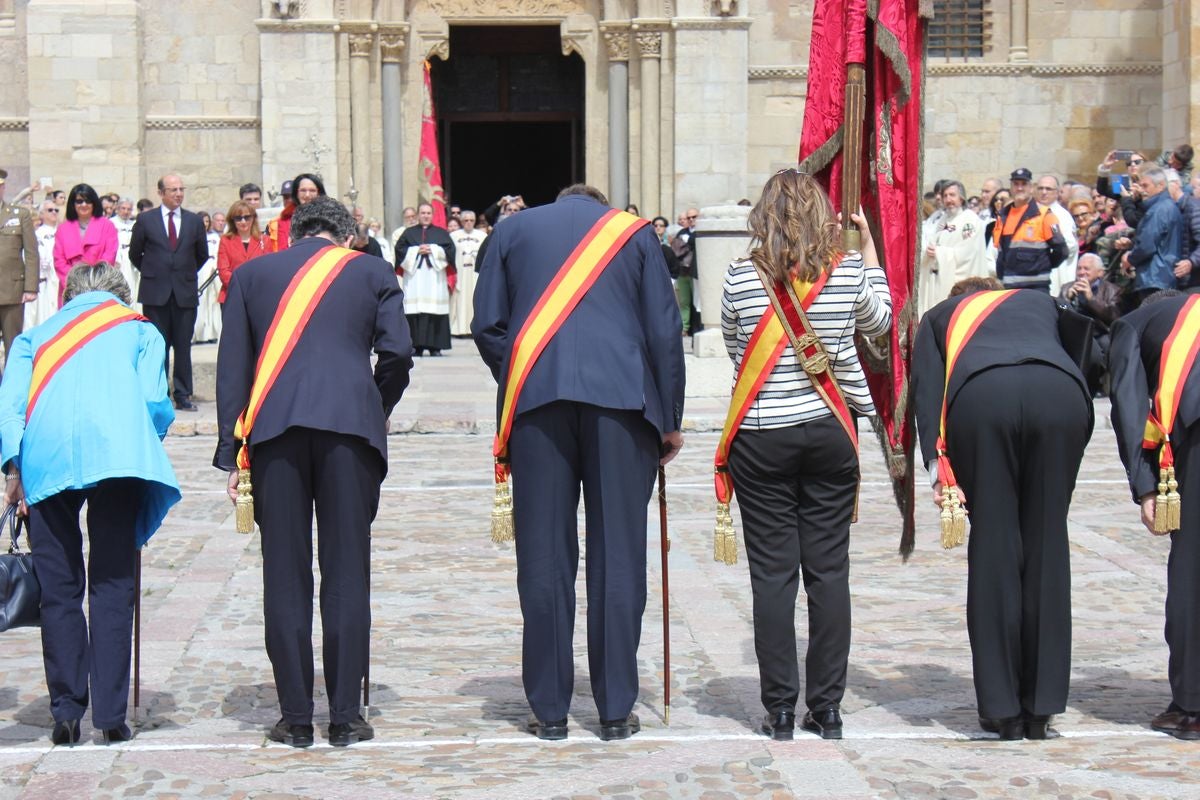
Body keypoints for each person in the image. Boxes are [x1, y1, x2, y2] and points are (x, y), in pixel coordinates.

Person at [472, 183, 685, 742]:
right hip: (622, 403)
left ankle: (549, 710)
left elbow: (488, 325)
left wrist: (521, 373)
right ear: (600, 203)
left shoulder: (511, 231)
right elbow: (664, 330)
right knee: (619, 554)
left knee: (544, 555)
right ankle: (614, 709)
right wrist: (669, 417)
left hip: (538, 403)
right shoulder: (634, 233)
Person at [214, 196, 413, 748]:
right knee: (347, 569)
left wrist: (232, 453)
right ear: (347, 237)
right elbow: (398, 354)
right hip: (348, 430)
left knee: (285, 572)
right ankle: (345, 715)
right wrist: (374, 404)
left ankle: (296, 716)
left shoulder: (252, 275)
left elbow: (233, 368)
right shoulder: (370, 270)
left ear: (293, 233)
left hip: (273, 432)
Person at [718, 171, 891, 742]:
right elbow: (881, 323)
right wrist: (869, 255)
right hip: (828, 428)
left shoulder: (741, 276)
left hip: (763, 433)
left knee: (772, 576)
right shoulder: (846, 271)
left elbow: (738, 351)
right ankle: (828, 706)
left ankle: (780, 709)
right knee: (828, 572)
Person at [0, 262, 180, 745]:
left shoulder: (34, 338)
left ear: (69, 296)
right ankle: (112, 715)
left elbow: (9, 410)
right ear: (121, 294)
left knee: (58, 588)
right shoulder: (140, 331)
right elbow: (154, 403)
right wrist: (146, 444)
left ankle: (65, 712)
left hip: (46, 458)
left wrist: (14, 471)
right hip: (117, 456)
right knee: (112, 582)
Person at [912, 281, 1093, 740]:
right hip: (1059, 392)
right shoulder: (1041, 301)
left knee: (994, 547)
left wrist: (938, 469)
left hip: (982, 397)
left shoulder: (940, 316)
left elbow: (926, 390)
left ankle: (1002, 709)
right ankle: (1042, 706)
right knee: (1048, 543)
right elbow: (1082, 342)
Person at [1108, 291, 1200, 740]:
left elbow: (1129, 404)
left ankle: (1193, 704)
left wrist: (1146, 485)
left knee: (1193, 570)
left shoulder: (1135, 324)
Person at [128, 173, 210, 411]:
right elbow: (135, 253)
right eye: (173, 190)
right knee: (157, 346)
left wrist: (183, 273)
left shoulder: (193, 221)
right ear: (161, 193)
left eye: (181, 189)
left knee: (183, 346)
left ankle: (183, 394)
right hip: (156, 293)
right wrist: (155, 272)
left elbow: (202, 255)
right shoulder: (146, 220)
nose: (178, 194)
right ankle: (159, 393)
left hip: (184, 292)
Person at [916, 180, 988, 316]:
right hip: (937, 279)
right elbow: (933, 241)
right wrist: (929, 251)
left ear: (961, 198)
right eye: (945, 196)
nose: (948, 200)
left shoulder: (970, 220)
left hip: (958, 284)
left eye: (952, 195)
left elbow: (969, 254)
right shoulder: (943, 220)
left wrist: (939, 253)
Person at [992, 167, 1068, 294]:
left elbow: (1062, 251)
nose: (1019, 188)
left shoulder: (1044, 215)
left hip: (1035, 288)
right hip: (1008, 287)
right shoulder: (1003, 216)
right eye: (1016, 184)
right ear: (1011, 188)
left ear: (1031, 188)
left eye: (1024, 184)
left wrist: (1042, 266)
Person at [396, 203, 455, 356]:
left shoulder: (441, 233)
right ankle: (416, 347)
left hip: (435, 277)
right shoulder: (408, 233)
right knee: (414, 310)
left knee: (435, 309)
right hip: (415, 278)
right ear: (418, 215)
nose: (426, 216)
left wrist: (434, 250)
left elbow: (450, 251)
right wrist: (416, 250)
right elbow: (399, 250)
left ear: (432, 215)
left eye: (428, 213)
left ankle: (435, 347)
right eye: (423, 213)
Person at [1121, 165, 1183, 307]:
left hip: (1154, 277)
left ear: (1160, 185)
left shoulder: (1158, 210)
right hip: (1162, 276)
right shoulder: (1165, 206)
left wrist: (1129, 259)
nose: (1142, 190)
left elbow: (1147, 245)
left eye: (1146, 186)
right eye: (1141, 186)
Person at [52, 184, 117, 308]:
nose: (83, 204)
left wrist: (93, 283)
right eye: (79, 201)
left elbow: (109, 255)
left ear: (94, 203)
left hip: (99, 288)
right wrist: (76, 284)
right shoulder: (63, 229)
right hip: (70, 289)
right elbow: (59, 260)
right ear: (73, 204)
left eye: (88, 201)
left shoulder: (107, 226)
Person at [0, 169, 39, 367]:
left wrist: (30, 287)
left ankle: (12, 382)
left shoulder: (19, 214)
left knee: (13, 343)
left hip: (12, 290)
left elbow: (31, 252)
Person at [216, 200, 271, 305]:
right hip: (232, 295)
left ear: (253, 218)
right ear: (232, 220)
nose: (243, 221)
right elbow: (223, 271)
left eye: (247, 217)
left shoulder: (264, 240)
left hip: (258, 295)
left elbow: (268, 269)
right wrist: (241, 288)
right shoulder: (225, 240)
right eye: (238, 218)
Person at [449, 209, 486, 337]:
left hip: (475, 274)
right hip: (460, 273)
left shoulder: (482, 236)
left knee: (474, 299)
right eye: (466, 220)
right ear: (461, 221)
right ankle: (459, 329)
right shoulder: (454, 236)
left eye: (471, 220)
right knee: (459, 300)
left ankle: (474, 329)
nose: (468, 223)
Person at [28, 200, 59, 329]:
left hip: (58, 279)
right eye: (50, 210)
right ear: (41, 214)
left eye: (56, 210)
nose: (54, 213)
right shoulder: (37, 234)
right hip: (44, 280)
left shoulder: (61, 232)